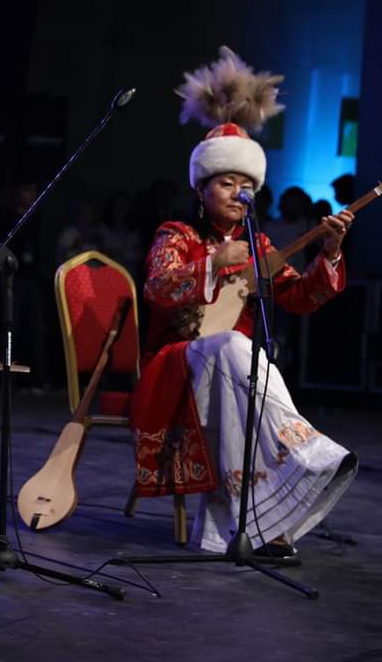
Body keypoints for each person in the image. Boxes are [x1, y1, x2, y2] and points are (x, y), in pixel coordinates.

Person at [130, 47, 357, 562]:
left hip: (231, 373)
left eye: (246, 185)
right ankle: (303, 449)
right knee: (239, 348)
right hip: (174, 365)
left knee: (249, 358)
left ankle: (251, 526)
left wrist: (330, 251)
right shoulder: (177, 234)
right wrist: (213, 264)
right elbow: (158, 289)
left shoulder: (260, 246)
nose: (238, 193)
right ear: (202, 188)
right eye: (226, 182)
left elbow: (301, 297)